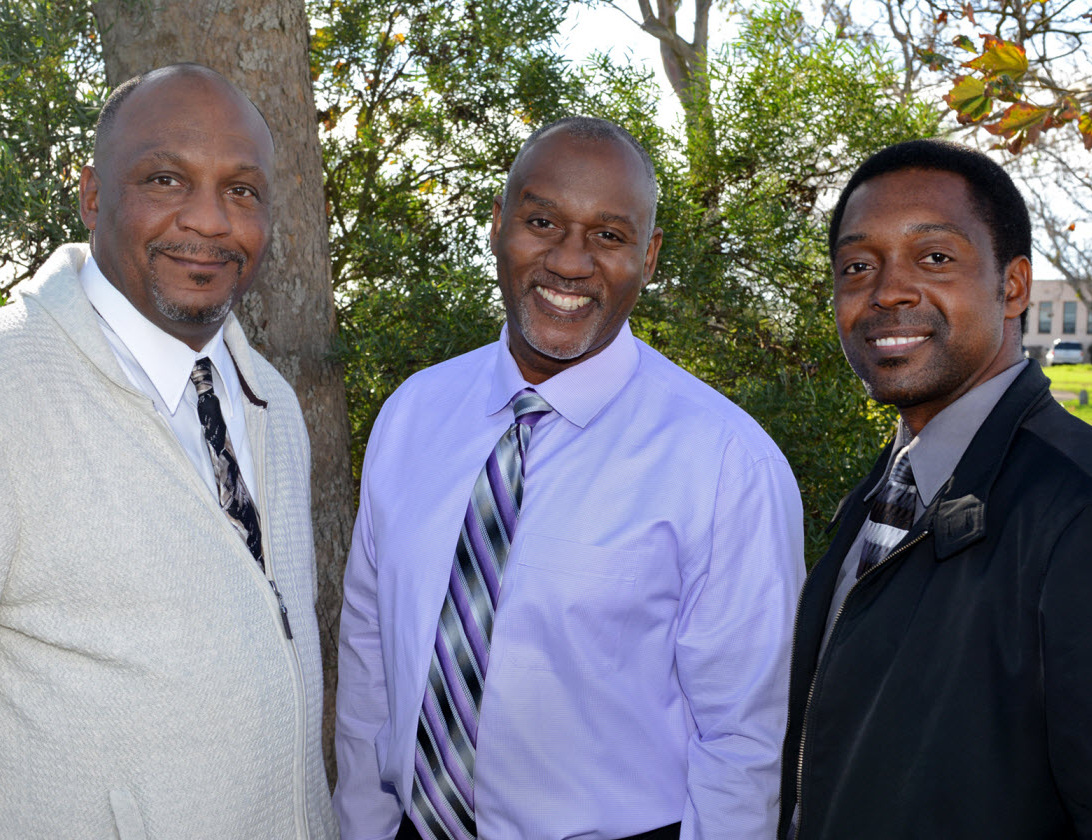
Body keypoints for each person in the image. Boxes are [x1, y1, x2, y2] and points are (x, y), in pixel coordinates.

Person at [333, 116, 805, 840]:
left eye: (609, 236)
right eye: (542, 221)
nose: (570, 261)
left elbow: (745, 741)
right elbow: (371, 657)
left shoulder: (724, 464)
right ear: (498, 225)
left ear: (647, 257)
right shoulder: (412, 415)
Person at [0, 64, 335, 839]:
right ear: (95, 194)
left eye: (242, 190)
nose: (210, 220)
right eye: (167, 179)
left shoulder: (266, 395)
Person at [778, 139, 1092, 839]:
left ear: (1013, 286)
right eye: (857, 266)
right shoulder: (882, 492)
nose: (888, 290)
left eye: (934, 258)